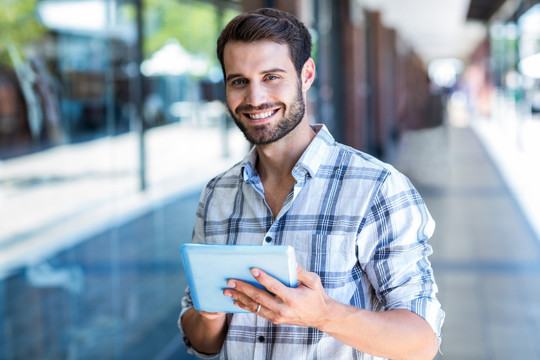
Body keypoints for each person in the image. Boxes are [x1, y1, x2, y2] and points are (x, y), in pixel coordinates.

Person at [179, 7, 444, 360]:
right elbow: (203, 342)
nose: (255, 98)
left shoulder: (377, 187)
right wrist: (209, 315)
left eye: (272, 76)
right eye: (239, 81)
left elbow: (422, 342)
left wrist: (324, 315)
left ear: (306, 75)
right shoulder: (217, 194)